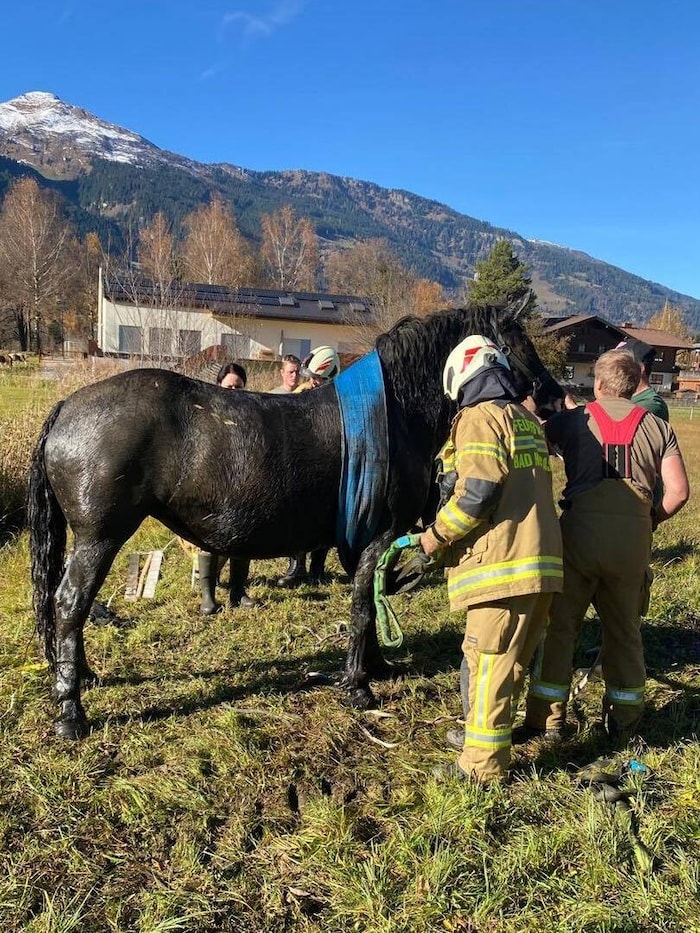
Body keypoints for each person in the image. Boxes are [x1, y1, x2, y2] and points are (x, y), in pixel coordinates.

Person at [419, 335, 563, 784]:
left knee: (487, 665)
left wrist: (434, 538)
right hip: (541, 565)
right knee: (511, 663)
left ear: (462, 378)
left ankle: (480, 768)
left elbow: (477, 494)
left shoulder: (480, 418)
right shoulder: (525, 418)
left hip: (502, 566)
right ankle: (484, 739)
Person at [525, 350, 689, 743]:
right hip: (631, 542)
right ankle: (623, 722)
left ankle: (548, 720)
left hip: (579, 536)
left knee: (561, 628)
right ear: (635, 385)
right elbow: (680, 492)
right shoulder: (658, 426)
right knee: (625, 632)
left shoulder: (572, 421)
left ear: (598, 384)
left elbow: (536, 441)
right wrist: (649, 520)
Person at [276, 346, 342, 588]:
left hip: (331, 466)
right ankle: (296, 567)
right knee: (298, 515)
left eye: (318, 378)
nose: (313, 382)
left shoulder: (341, 397)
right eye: (312, 377)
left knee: (325, 518)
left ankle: (318, 570)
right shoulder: (302, 394)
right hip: (303, 464)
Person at [198, 361, 258, 614]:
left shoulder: (251, 416)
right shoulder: (206, 415)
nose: (234, 393)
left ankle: (238, 593)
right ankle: (208, 598)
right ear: (219, 386)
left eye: (240, 388)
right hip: (212, 482)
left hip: (243, 483)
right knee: (208, 538)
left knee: (243, 537)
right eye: (229, 387)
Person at [614, 337, 669, 421]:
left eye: (621, 365)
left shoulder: (651, 405)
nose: (613, 370)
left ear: (640, 369)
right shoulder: (628, 398)